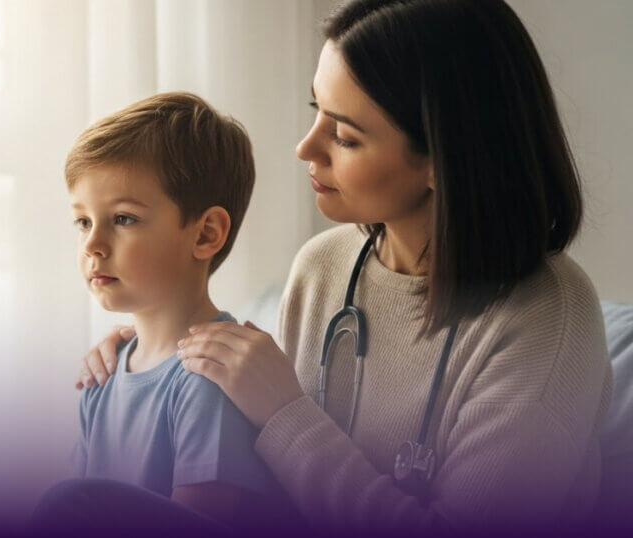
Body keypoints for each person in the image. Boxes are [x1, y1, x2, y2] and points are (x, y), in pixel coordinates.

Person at [68, 0, 614, 533]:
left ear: (441, 160)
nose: (307, 148)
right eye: (316, 113)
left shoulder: (547, 319)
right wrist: (145, 357)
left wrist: (285, 415)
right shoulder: (322, 268)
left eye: (346, 136)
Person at [31, 92, 296, 534]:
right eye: (83, 221)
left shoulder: (213, 376)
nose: (92, 244)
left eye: (123, 219)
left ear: (206, 233)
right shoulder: (102, 377)